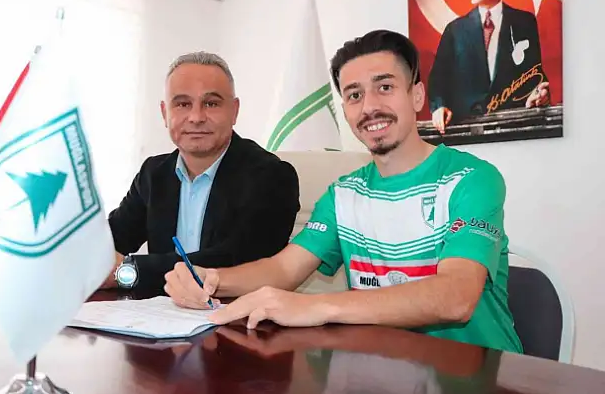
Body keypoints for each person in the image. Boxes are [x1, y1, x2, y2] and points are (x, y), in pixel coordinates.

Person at [163, 30, 523, 354]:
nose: (369, 107)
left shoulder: (471, 178)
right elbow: (283, 269)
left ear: (416, 96)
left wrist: (316, 307)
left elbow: (455, 298)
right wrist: (211, 279)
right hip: (382, 370)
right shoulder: (343, 194)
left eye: (385, 87)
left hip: (479, 376)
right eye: (354, 95)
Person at [101, 51, 300, 294]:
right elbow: (110, 241)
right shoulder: (153, 174)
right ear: (165, 113)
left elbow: (235, 261)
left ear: (234, 111)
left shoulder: (272, 176)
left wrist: (128, 271)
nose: (196, 117)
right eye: (182, 104)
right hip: (161, 311)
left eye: (211, 103)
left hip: (237, 313)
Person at [429, 0, 550, 133]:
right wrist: (439, 106)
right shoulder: (454, 30)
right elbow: (437, 81)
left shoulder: (525, 23)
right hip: (466, 131)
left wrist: (538, 94)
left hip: (513, 128)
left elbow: (534, 75)